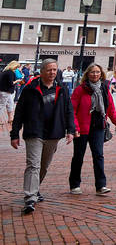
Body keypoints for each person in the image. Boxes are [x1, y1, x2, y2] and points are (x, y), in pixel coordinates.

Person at [9, 59, 76, 214]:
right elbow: (19, 113)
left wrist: (70, 130)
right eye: (49, 70)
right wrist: (15, 133)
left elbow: (69, 110)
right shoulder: (30, 88)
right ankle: (30, 198)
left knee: (44, 165)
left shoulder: (62, 88)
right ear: (42, 71)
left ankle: (35, 188)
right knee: (33, 164)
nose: (52, 73)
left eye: (54, 70)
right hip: (34, 131)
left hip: (53, 132)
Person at [69, 64, 116, 196]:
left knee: (98, 156)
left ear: (101, 74)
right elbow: (72, 110)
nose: (95, 74)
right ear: (87, 74)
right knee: (78, 157)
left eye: (97, 72)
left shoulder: (104, 89)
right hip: (81, 129)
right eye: (92, 72)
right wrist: (74, 127)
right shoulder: (80, 90)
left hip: (98, 127)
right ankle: (74, 185)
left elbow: (110, 109)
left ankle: (101, 186)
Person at [1, 61, 23, 129]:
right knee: (1, 105)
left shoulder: (5, 71)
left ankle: (10, 119)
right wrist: (17, 81)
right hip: (6, 91)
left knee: (10, 105)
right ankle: (10, 119)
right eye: (17, 67)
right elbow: (11, 83)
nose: (17, 69)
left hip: (6, 91)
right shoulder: (10, 73)